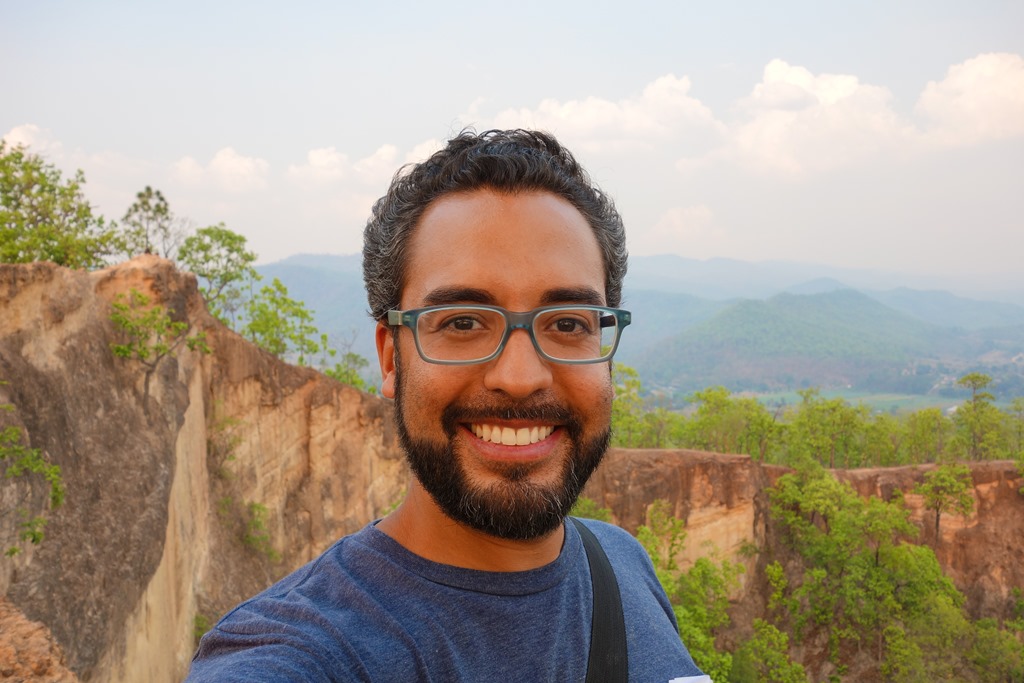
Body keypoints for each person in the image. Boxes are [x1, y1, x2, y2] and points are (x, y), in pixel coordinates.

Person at [188, 129, 707, 682]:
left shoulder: (621, 563)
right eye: (462, 322)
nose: (519, 378)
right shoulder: (300, 653)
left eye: (567, 324)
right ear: (391, 357)